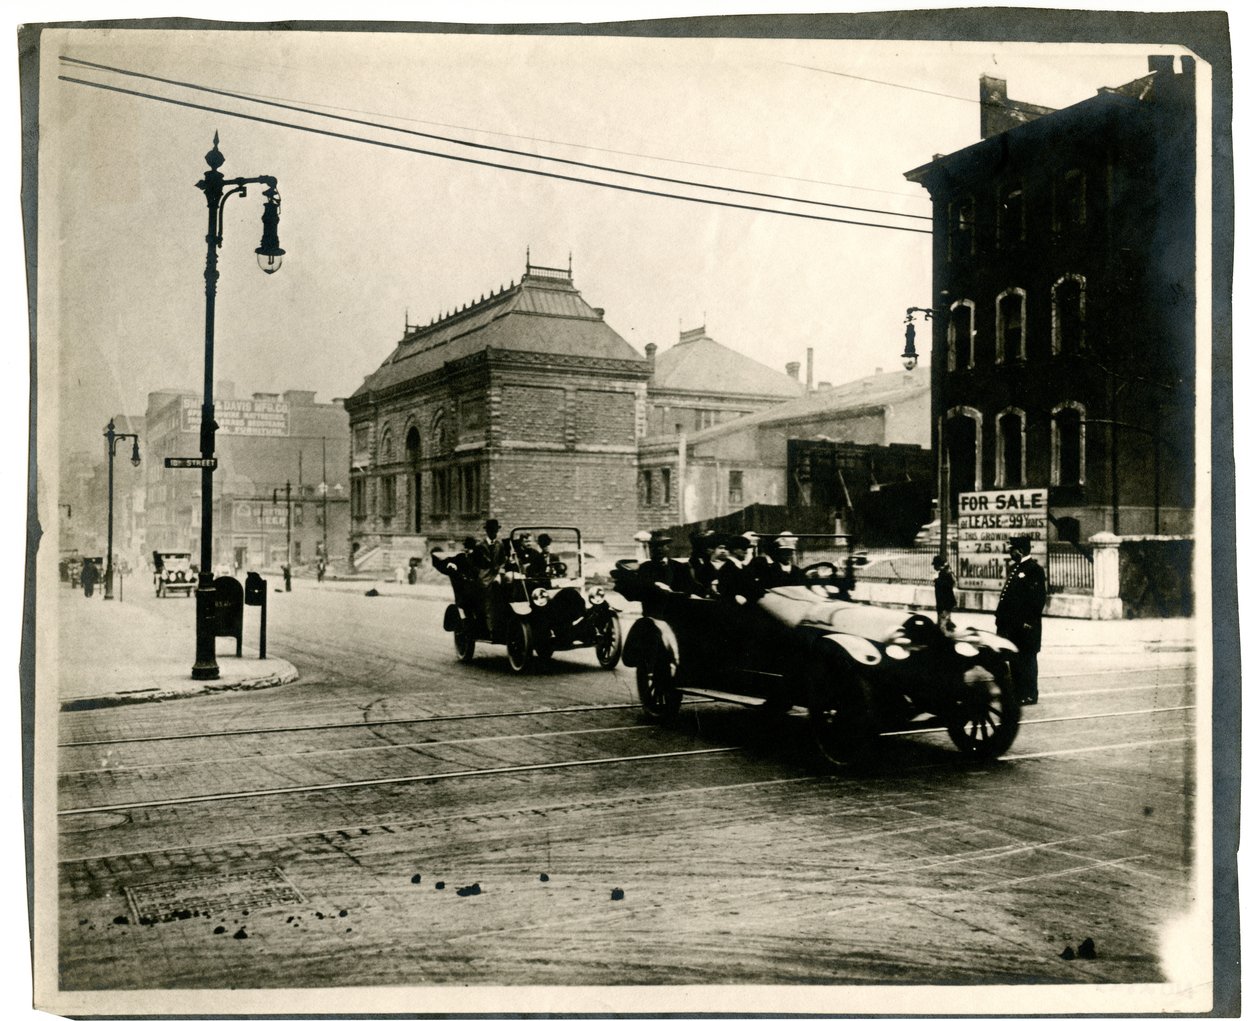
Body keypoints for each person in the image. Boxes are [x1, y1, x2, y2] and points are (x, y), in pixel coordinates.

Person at [994, 535, 1047, 706]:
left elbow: (1037, 600)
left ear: (1021, 550)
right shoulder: (1016, 568)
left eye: (1012, 550)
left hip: (1026, 625)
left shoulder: (1034, 569)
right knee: (1015, 659)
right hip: (1013, 624)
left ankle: (1030, 694)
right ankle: (1018, 692)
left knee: (1028, 660)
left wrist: (1028, 622)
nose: (1010, 552)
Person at [716, 533, 759, 604]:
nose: (746, 552)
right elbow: (725, 592)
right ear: (734, 550)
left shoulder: (744, 567)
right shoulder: (726, 569)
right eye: (744, 549)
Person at [932, 553, 957, 632]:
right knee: (946, 621)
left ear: (937, 565)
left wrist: (936, 581)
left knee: (942, 625)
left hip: (944, 604)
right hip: (946, 603)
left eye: (934, 565)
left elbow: (944, 588)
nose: (933, 567)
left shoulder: (943, 574)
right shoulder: (946, 572)